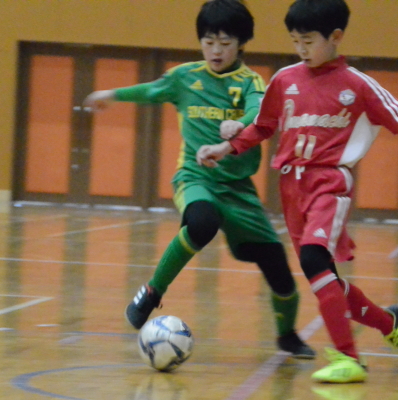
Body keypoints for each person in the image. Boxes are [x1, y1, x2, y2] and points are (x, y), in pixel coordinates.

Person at [197, 0, 398, 384]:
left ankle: (349, 358)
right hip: (291, 188)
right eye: (295, 41)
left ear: (335, 37)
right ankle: (390, 322)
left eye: (308, 41)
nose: (301, 48)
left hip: (329, 183)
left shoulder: (357, 84)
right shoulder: (285, 79)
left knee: (315, 261)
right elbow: (263, 126)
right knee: (325, 279)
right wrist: (226, 147)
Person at [83, 0, 315, 359]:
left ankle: (287, 335)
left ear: (241, 43)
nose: (215, 50)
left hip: (238, 190)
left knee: (278, 268)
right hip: (195, 177)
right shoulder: (185, 77)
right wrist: (110, 95)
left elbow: (258, 110)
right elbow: (150, 91)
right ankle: (152, 292)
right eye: (208, 42)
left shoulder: (250, 82)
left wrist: (240, 123)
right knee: (202, 222)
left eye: (225, 42)